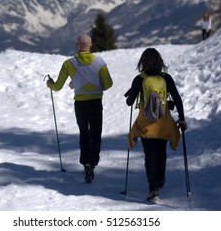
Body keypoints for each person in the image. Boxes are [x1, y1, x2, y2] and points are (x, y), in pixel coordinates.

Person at [46, 33, 113, 183]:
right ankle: (92, 162)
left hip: (80, 104)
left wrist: (50, 84)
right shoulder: (99, 62)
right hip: (95, 102)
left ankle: (85, 162)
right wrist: (98, 85)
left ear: (77, 46)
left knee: (84, 132)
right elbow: (109, 83)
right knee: (95, 134)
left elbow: (57, 87)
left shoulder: (69, 64)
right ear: (90, 46)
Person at [125, 48, 187, 201]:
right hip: (163, 123)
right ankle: (160, 179)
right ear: (160, 62)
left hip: (145, 124)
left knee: (149, 154)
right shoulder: (166, 78)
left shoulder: (139, 79)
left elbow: (129, 102)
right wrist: (182, 118)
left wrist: (132, 91)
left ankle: (153, 188)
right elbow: (177, 99)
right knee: (161, 152)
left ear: (143, 62)